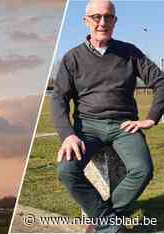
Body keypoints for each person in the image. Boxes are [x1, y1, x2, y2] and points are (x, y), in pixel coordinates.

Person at [51, 0, 164, 232]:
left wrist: (151, 118)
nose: (102, 22)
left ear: (115, 21)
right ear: (86, 21)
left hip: (124, 127)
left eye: (108, 17)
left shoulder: (129, 52)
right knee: (66, 171)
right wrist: (68, 135)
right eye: (96, 17)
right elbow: (59, 98)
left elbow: (161, 82)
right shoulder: (72, 58)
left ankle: (102, 221)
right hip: (88, 127)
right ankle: (110, 224)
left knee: (142, 170)